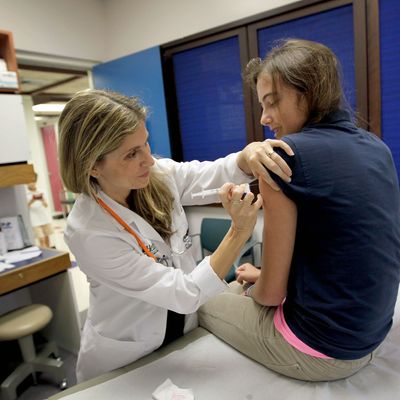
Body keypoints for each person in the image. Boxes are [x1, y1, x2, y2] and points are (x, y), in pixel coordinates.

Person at [57, 89, 294, 382]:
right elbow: (185, 294)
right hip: (127, 357)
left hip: (181, 335)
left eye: (145, 143)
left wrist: (248, 157)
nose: (150, 160)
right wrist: (238, 232)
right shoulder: (89, 231)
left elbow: (212, 173)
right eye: (132, 153)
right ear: (92, 165)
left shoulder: (155, 177)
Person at [199, 39, 400, 382]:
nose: (264, 118)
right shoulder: (377, 148)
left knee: (201, 300)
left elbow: (272, 296)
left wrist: (255, 289)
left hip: (322, 352)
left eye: (272, 102)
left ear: (306, 93)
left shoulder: (283, 155)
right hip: (372, 336)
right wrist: (263, 276)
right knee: (249, 281)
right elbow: (346, 253)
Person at [26, 173, 54, 248]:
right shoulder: (25, 194)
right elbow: (25, 207)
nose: (31, 183)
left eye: (33, 181)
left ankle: (50, 254)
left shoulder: (42, 191)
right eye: (29, 181)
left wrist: (42, 199)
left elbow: (46, 205)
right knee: (41, 239)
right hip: (34, 220)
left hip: (44, 217)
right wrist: (32, 200)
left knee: (47, 238)